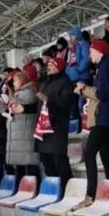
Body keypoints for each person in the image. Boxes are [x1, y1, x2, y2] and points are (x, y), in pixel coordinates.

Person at [73, 40, 109, 210]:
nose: (89, 55)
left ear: (100, 52)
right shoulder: (103, 67)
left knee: (89, 153)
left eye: (92, 52)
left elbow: (102, 94)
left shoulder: (104, 67)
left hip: (102, 118)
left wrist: (83, 89)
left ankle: (91, 195)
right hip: (102, 118)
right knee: (106, 158)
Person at [36, 57, 74, 191]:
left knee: (59, 160)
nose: (49, 67)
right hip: (44, 128)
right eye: (49, 65)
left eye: (52, 65)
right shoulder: (45, 83)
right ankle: (56, 189)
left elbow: (66, 102)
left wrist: (48, 99)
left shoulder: (65, 82)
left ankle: (68, 189)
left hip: (57, 126)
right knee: (46, 160)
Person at [6, 71, 41, 189]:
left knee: (30, 166)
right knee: (21, 166)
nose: (13, 83)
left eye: (15, 80)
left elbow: (21, 107)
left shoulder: (29, 92)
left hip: (26, 134)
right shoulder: (19, 93)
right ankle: (21, 190)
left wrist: (10, 98)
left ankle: (34, 190)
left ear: (22, 80)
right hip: (19, 135)